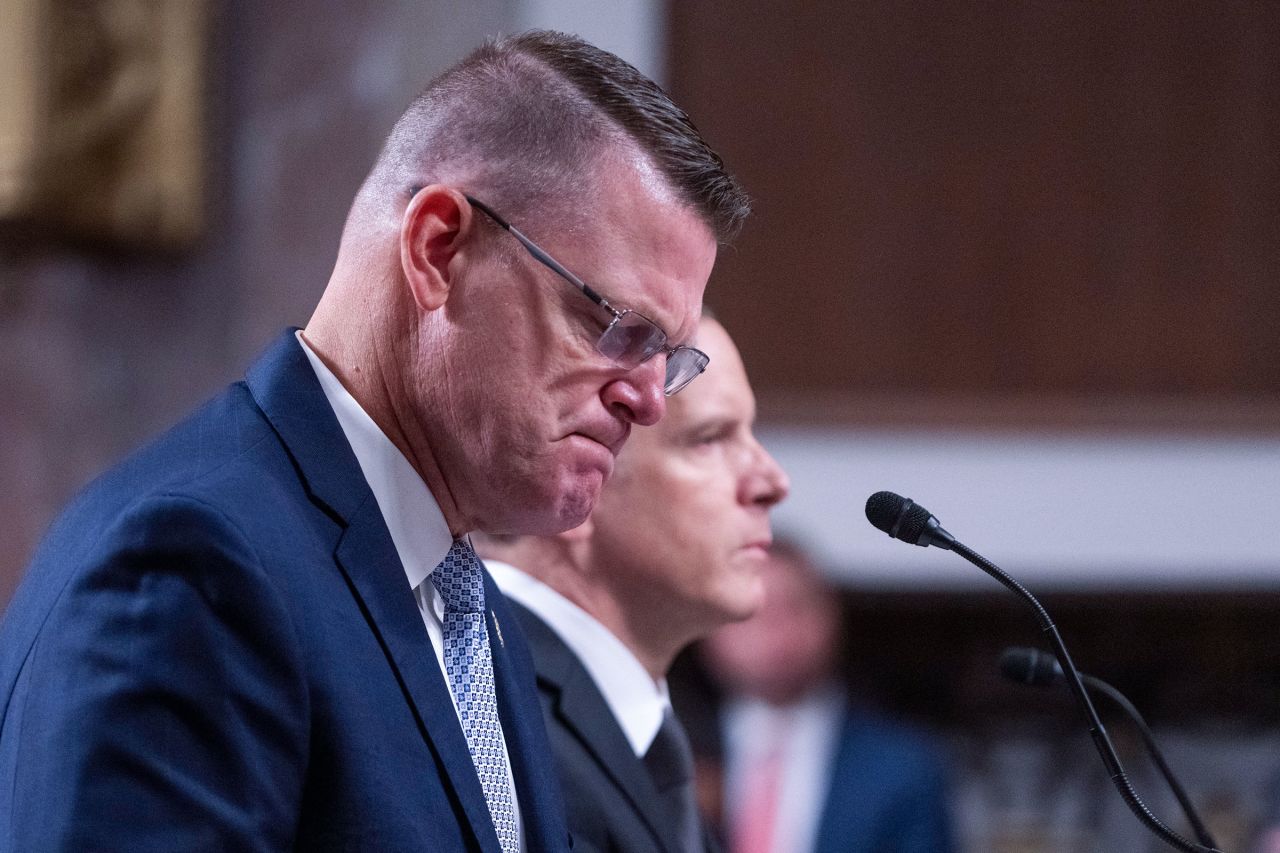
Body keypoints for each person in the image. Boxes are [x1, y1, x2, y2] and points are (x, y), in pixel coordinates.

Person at [0, 31, 748, 852]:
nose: (646, 400)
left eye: (667, 357)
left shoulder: (465, 601)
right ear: (437, 250)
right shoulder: (194, 560)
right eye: (618, 327)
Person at [475, 314, 789, 853]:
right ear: (575, 480)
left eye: (751, 434)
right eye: (710, 438)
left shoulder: (641, 734)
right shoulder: (488, 714)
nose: (772, 482)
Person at [698, 541, 956, 853]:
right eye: (752, 611)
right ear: (708, 626)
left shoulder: (903, 766)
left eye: (794, 606)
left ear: (832, 615)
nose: (776, 630)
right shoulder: (671, 755)